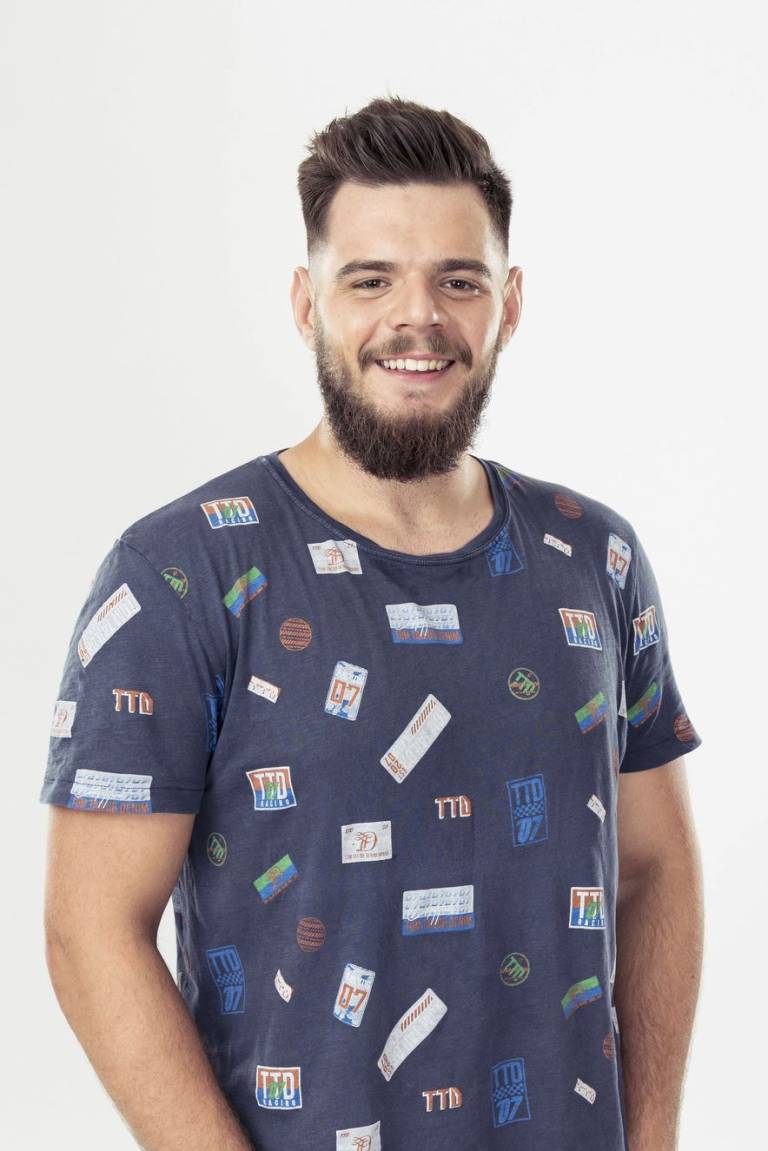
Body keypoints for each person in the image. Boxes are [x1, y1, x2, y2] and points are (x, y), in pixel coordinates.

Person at [40, 95, 704, 1151]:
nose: (417, 317)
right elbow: (90, 930)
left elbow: (658, 868)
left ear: (509, 303)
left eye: (458, 279)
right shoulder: (182, 569)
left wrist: (652, 1136)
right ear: (306, 302)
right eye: (371, 280)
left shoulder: (596, 559)